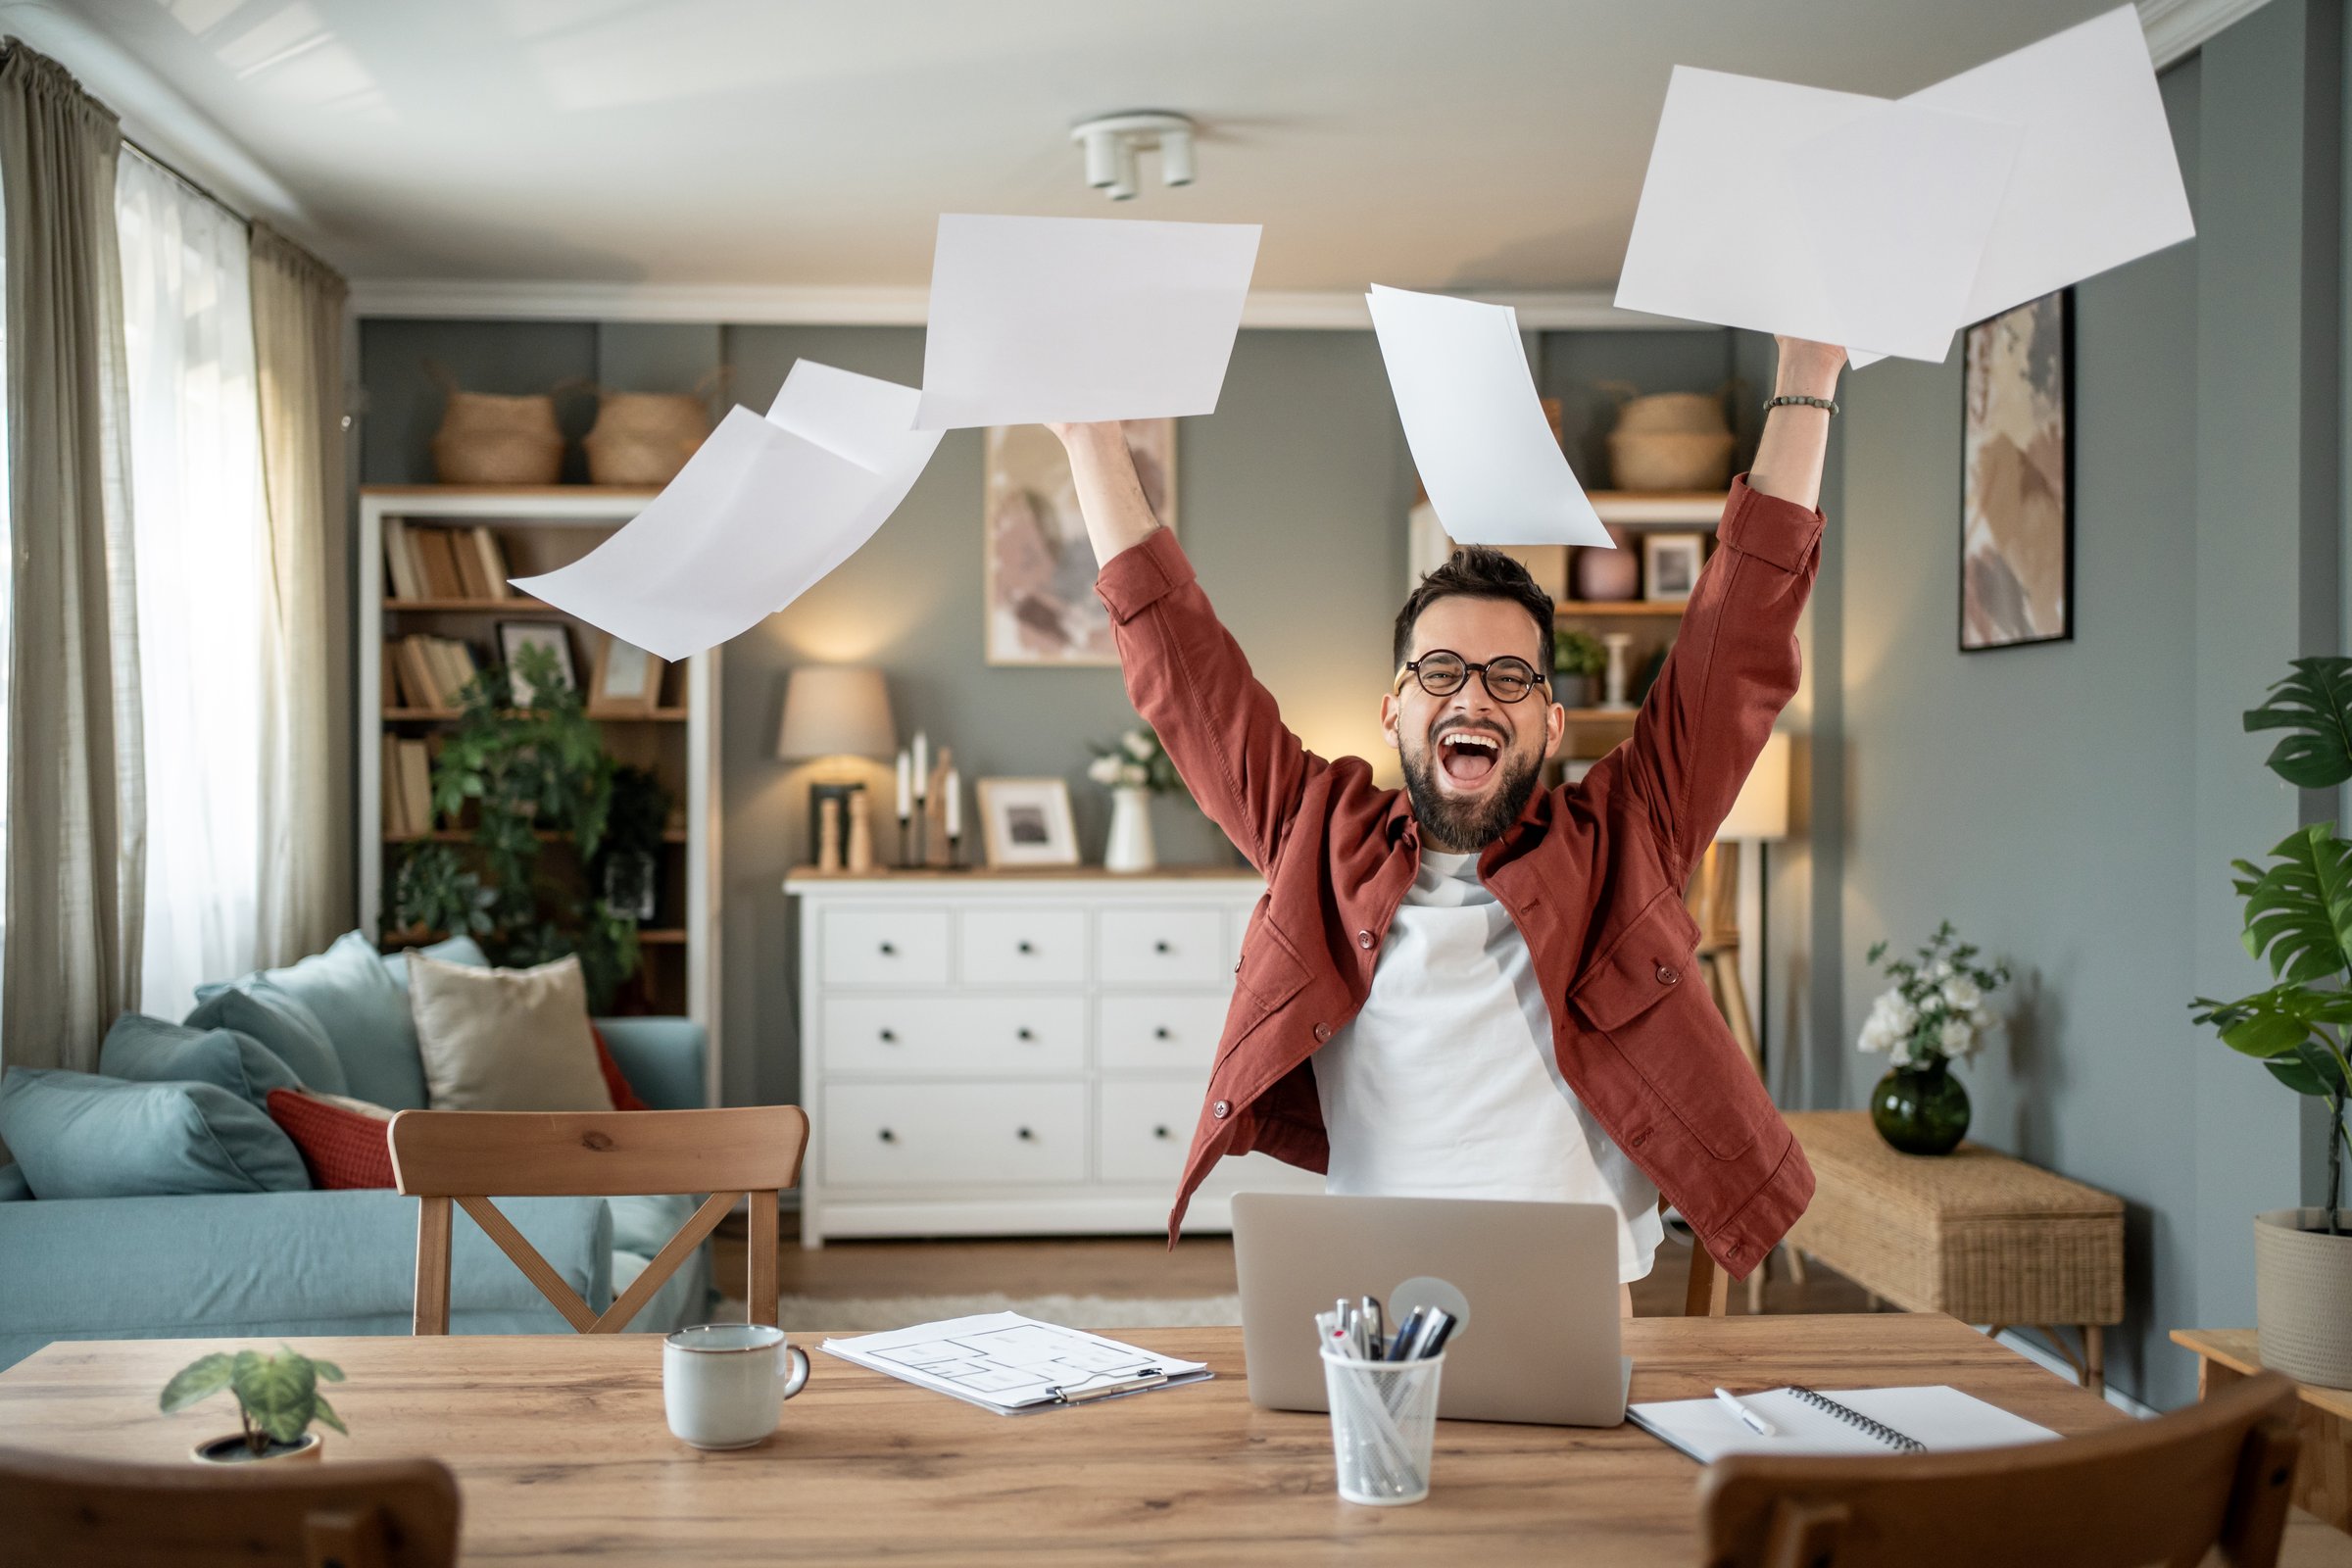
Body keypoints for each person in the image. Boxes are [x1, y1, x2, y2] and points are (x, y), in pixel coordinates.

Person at [1051, 335, 1841, 1304]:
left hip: (1576, 1283)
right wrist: (1090, 439)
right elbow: (1183, 670)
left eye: (1509, 676)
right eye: (1440, 672)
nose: (1473, 697)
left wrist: (1807, 378)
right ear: (1394, 707)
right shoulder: (1316, 831)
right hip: (1371, 1278)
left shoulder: (1624, 839)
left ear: (1550, 721)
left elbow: (1739, 645)